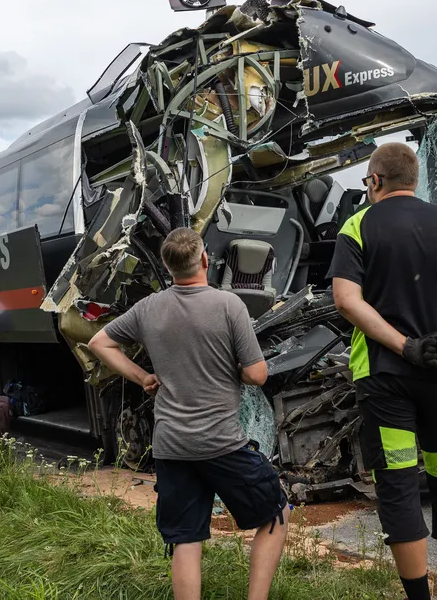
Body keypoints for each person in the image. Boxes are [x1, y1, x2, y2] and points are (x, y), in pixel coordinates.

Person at [327, 142, 437, 600]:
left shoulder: (358, 224)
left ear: (375, 181)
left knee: (400, 488)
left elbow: (346, 299)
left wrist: (405, 345)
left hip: (385, 378)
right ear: (415, 181)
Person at [87, 227, 287, 600]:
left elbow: (99, 342)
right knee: (276, 512)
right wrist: (237, 370)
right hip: (222, 443)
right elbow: (257, 375)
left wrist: (142, 376)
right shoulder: (229, 305)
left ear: (167, 265)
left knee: (186, 539)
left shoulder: (149, 307)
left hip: (171, 446)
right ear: (206, 260)